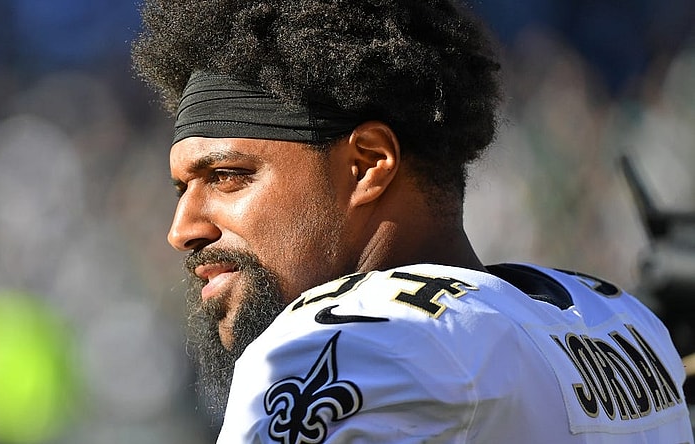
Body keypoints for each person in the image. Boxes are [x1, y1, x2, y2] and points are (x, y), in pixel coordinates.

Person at [132, 0, 693, 442]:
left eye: (228, 176)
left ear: (368, 165)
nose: (182, 228)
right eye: (182, 189)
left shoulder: (346, 340)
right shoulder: (625, 324)